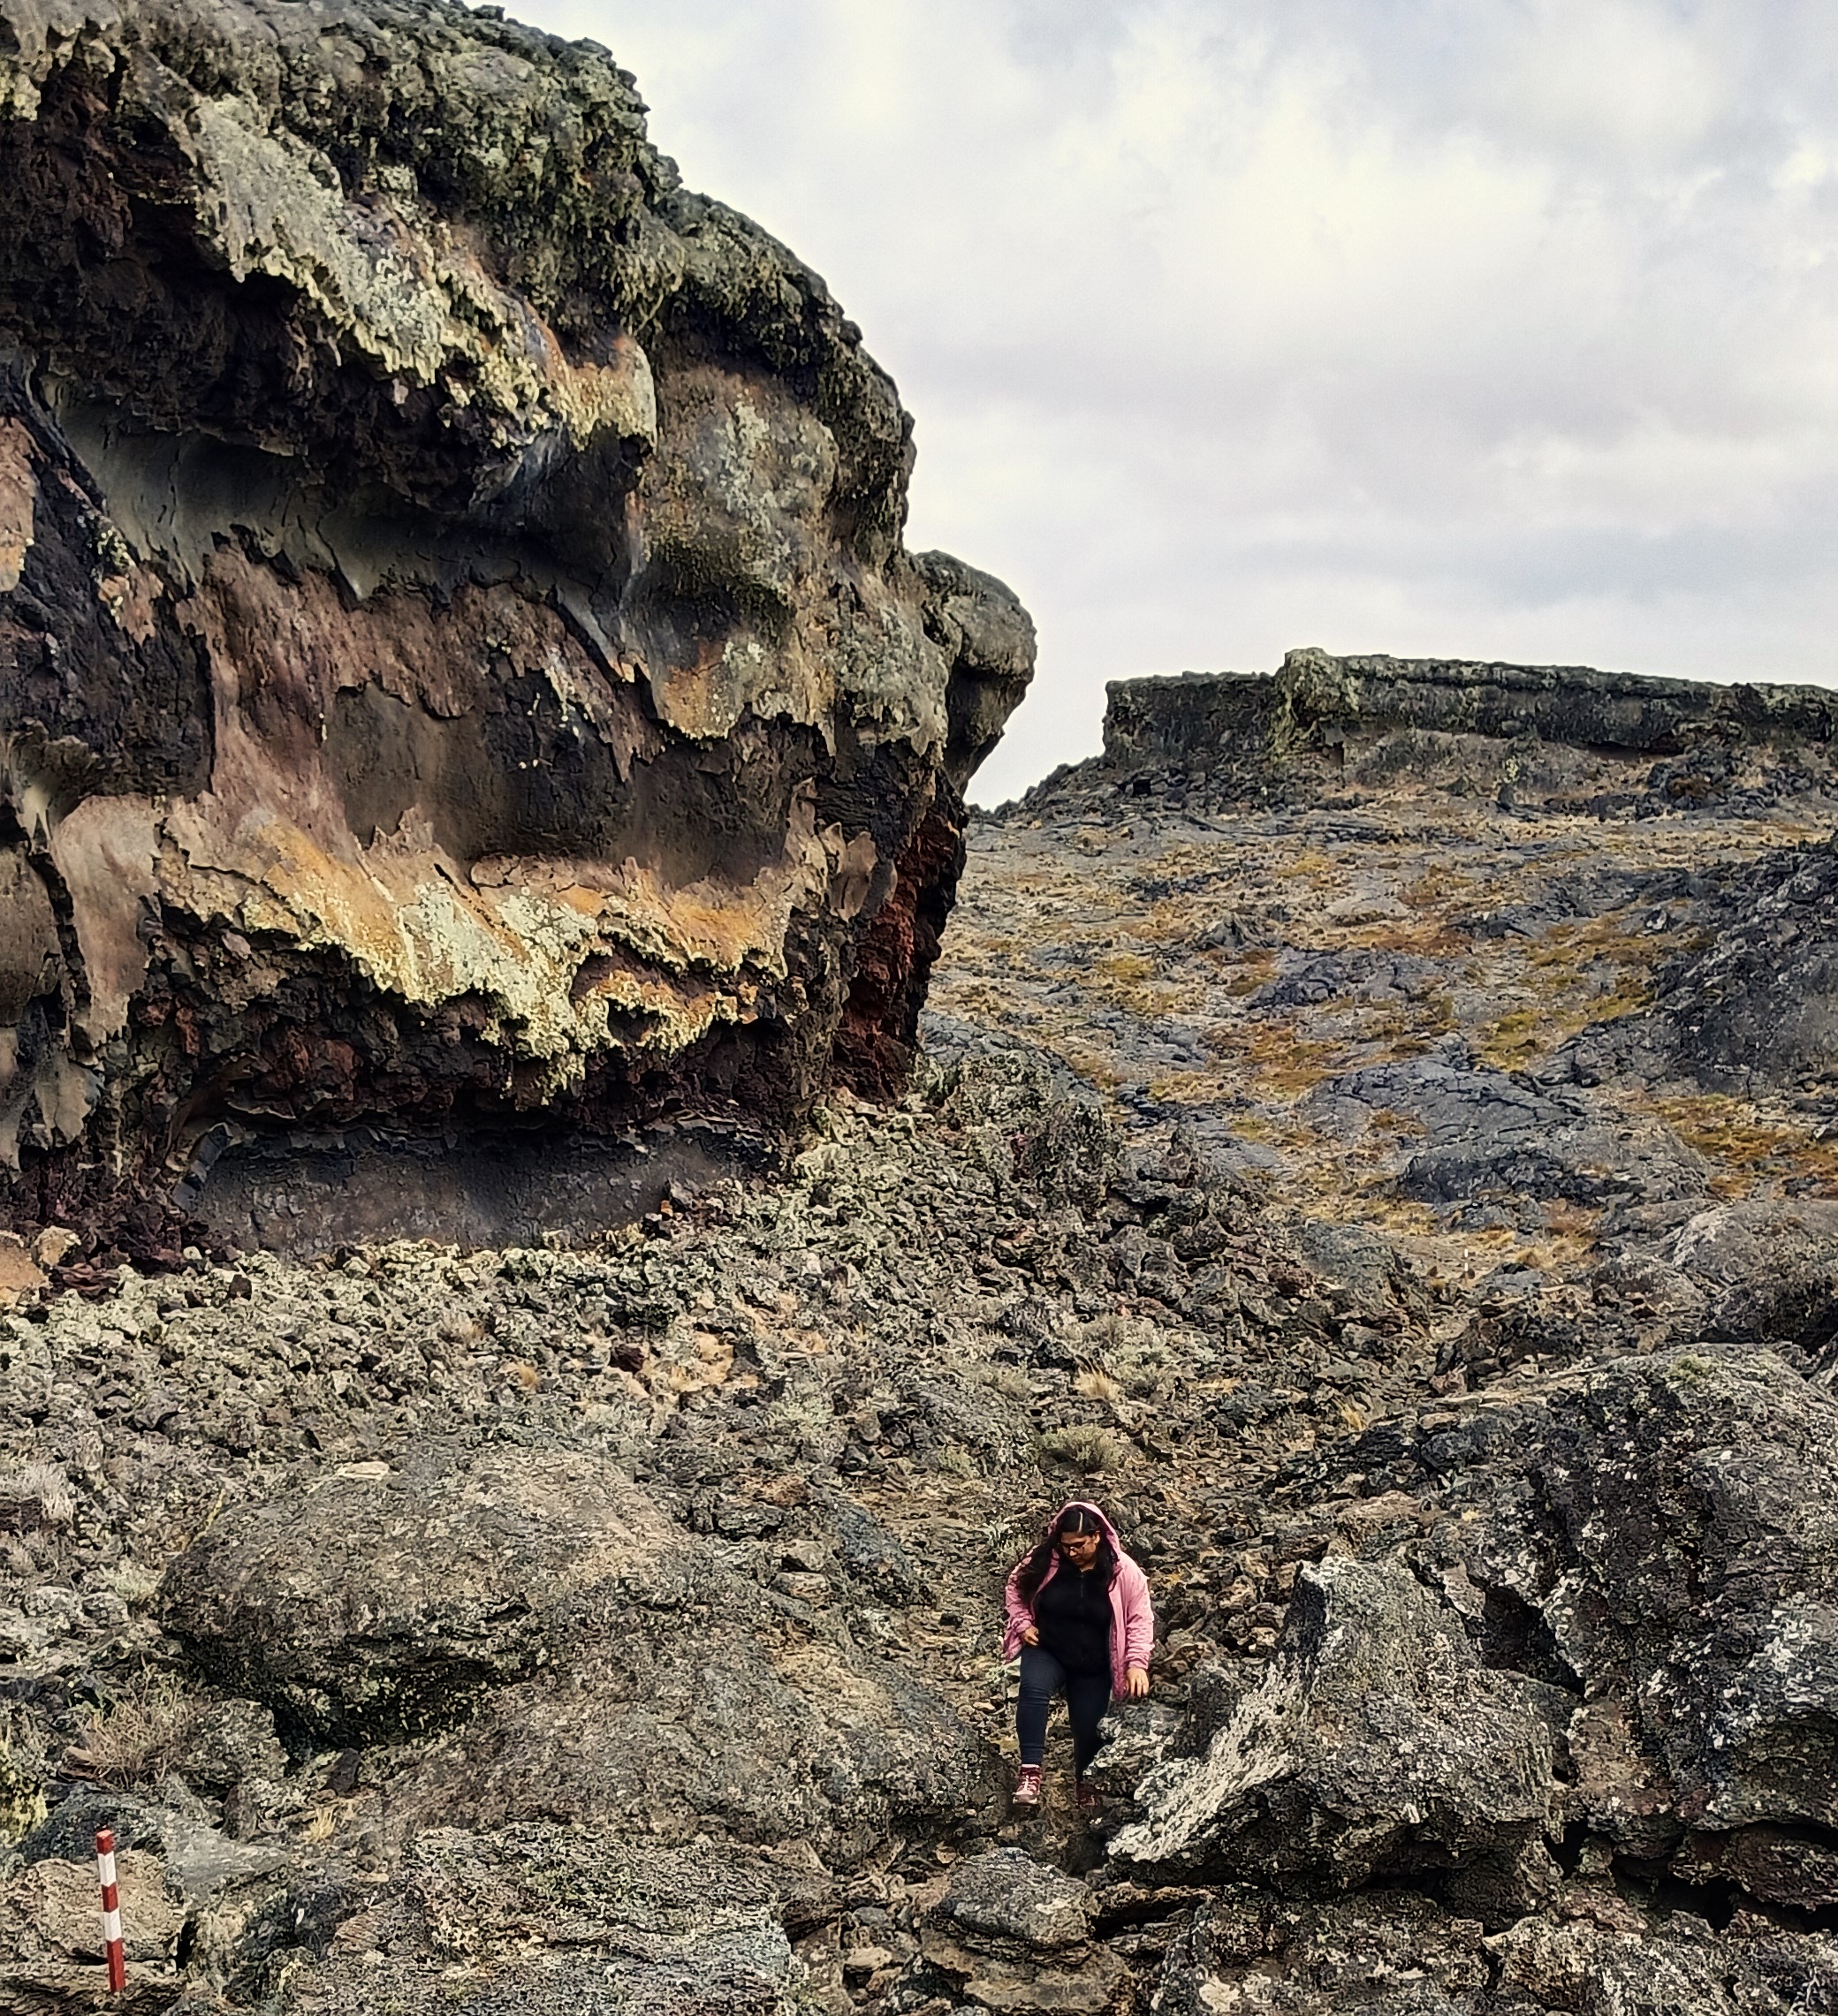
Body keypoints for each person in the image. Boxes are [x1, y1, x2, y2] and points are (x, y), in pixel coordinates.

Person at [1001, 1500, 1153, 1809]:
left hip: (1094, 1665)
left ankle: (1086, 1784)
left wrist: (1136, 1664)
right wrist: (1023, 1625)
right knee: (1033, 1689)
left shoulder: (1124, 1571)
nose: (1071, 1552)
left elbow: (1140, 1618)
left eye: (1079, 1545)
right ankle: (1030, 1772)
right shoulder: (1045, 1560)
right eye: (1065, 1545)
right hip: (1049, 1649)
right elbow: (1014, 1588)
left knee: (1088, 1728)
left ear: (1097, 1536)